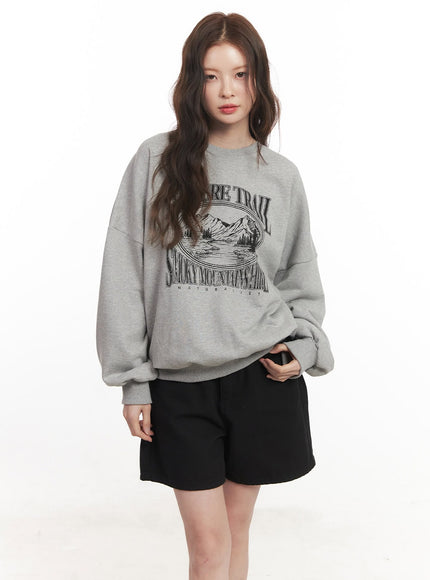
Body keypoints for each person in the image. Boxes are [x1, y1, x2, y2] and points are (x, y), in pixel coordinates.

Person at [96, 11, 334, 580]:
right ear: (192, 83)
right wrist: (133, 378)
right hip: (180, 384)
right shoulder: (156, 160)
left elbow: (299, 281)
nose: (227, 90)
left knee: (235, 533)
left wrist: (304, 348)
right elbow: (124, 272)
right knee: (208, 546)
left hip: (261, 376)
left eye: (240, 74)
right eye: (210, 75)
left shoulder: (281, 176)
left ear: (258, 81)